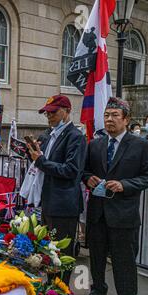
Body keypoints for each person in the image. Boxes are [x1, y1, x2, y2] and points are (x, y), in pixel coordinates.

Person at [83, 97, 148, 295]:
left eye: (115, 115)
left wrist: (124, 185)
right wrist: (88, 178)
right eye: (106, 115)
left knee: (124, 263)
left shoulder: (140, 145)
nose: (109, 119)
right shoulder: (95, 145)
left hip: (124, 217)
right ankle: (98, 291)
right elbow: (84, 171)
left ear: (126, 120)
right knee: (97, 260)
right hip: (97, 215)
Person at [25, 95, 87, 285]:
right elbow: (40, 162)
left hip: (64, 205)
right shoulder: (47, 134)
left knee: (62, 253)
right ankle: (52, 286)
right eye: (47, 112)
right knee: (48, 250)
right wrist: (31, 152)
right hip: (47, 201)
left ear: (67, 111)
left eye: (53, 111)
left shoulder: (75, 137)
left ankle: (62, 289)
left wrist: (40, 160)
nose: (49, 115)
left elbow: (71, 170)